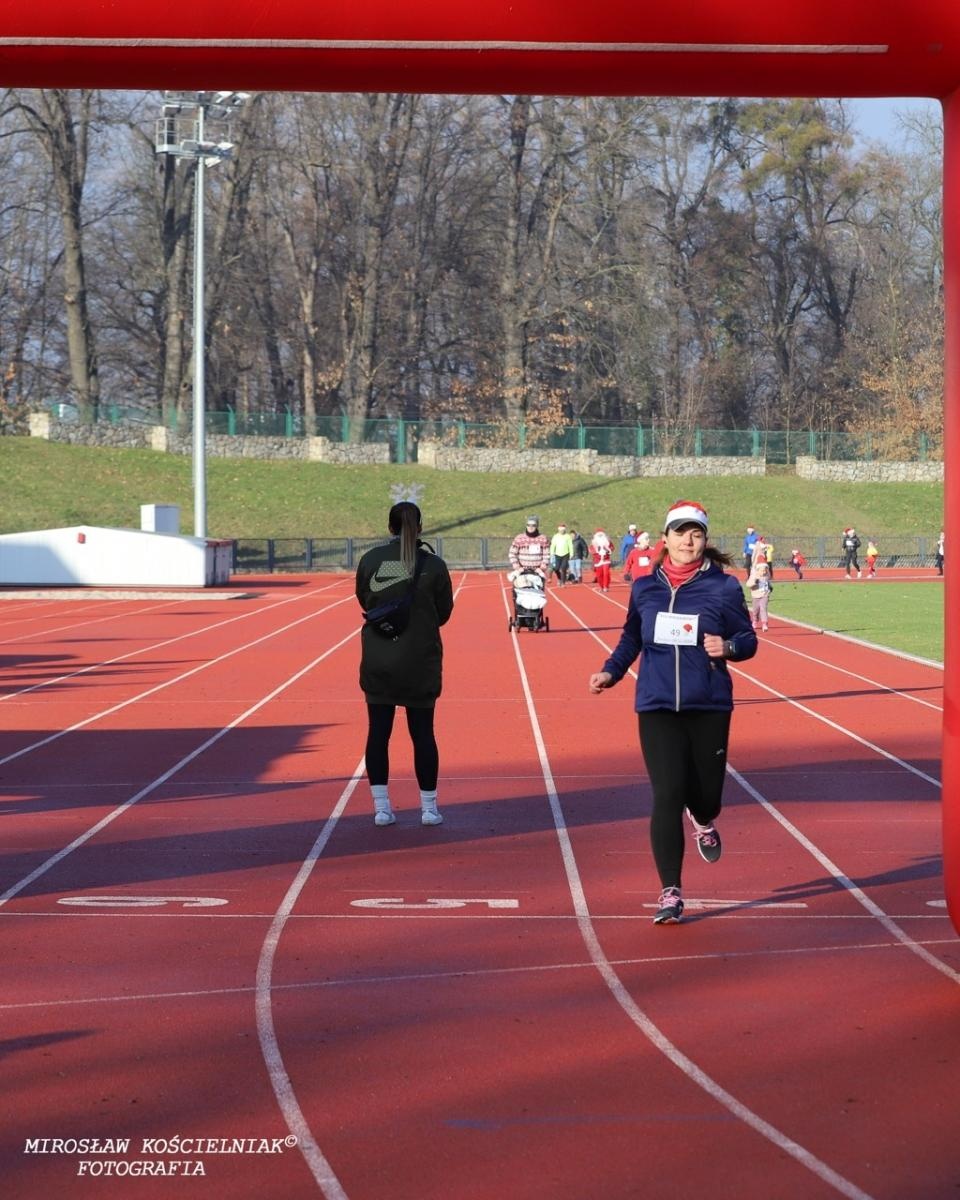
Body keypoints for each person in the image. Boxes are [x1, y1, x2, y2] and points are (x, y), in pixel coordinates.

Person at [588, 500, 757, 926]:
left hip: (709, 704)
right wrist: (611, 670)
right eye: (680, 532)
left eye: (696, 533)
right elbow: (631, 637)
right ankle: (671, 891)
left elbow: (747, 638)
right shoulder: (645, 588)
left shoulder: (724, 588)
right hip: (657, 704)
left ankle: (702, 819)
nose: (688, 540)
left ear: (705, 540)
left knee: (707, 798)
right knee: (666, 794)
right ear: (665, 540)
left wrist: (730, 648)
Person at [356, 501, 454, 827]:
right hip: (420, 658)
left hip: (379, 656)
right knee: (423, 734)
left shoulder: (370, 560)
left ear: (390, 527)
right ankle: (429, 809)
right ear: (421, 527)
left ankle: (382, 809)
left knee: (378, 733)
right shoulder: (434, 566)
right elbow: (443, 613)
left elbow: (364, 599)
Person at [509, 514, 551, 579]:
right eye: (528, 525)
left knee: (538, 589)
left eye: (533, 525)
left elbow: (547, 555)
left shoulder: (543, 539)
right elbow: (512, 554)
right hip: (522, 572)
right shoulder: (519, 538)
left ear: (537, 526)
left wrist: (541, 568)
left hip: (537, 573)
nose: (530, 527)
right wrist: (518, 567)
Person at [747, 558, 772, 631]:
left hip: (764, 595)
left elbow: (768, 583)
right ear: (758, 570)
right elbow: (748, 584)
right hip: (755, 596)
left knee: (763, 608)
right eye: (762, 570)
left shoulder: (767, 575)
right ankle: (755, 621)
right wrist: (754, 582)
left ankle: (764, 624)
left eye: (765, 570)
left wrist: (770, 587)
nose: (764, 572)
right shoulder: (754, 576)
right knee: (755, 610)